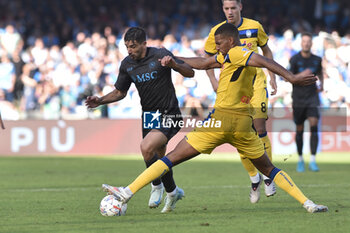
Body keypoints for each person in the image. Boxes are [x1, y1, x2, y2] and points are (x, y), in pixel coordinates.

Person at [102, 23, 328, 214]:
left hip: (218, 122)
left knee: (170, 158)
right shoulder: (229, 55)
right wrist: (173, 58)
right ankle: (308, 204)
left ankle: (127, 192)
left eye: (219, 43)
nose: (216, 47)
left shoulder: (239, 52)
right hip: (242, 126)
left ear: (230, 40)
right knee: (270, 168)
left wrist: (291, 77)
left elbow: (263, 60)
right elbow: (203, 63)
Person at [85, 27, 194, 213]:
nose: (129, 50)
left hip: (170, 113)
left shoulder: (161, 55)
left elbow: (190, 72)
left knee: (146, 147)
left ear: (144, 43)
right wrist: (101, 100)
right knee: (157, 157)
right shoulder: (127, 64)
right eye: (127, 46)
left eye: (133, 46)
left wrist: (174, 65)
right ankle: (173, 191)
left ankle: (156, 185)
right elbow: (120, 92)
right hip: (149, 115)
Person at [204, 0, 277, 203]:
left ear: (240, 7)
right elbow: (207, 59)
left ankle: (268, 176)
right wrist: (213, 80)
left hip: (256, 83)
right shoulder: (216, 32)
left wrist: (272, 75)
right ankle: (254, 179)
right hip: (234, 91)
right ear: (222, 9)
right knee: (241, 133)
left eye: (233, 8)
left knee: (260, 127)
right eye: (226, 8)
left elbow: (266, 50)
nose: (229, 12)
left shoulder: (254, 26)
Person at [289, 32, 324, 172]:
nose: (306, 43)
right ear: (301, 43)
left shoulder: (317, 59)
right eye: (304, 41)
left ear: (311, 43)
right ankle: (300, 159)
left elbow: (320, 72)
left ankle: (313, 160)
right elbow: (289, 77)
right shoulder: (294, 59)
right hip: (298, 98)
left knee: (314, 124)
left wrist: (323, 85)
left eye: (308, 41)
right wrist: (301, 76)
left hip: (312, 97)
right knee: (299, 129)